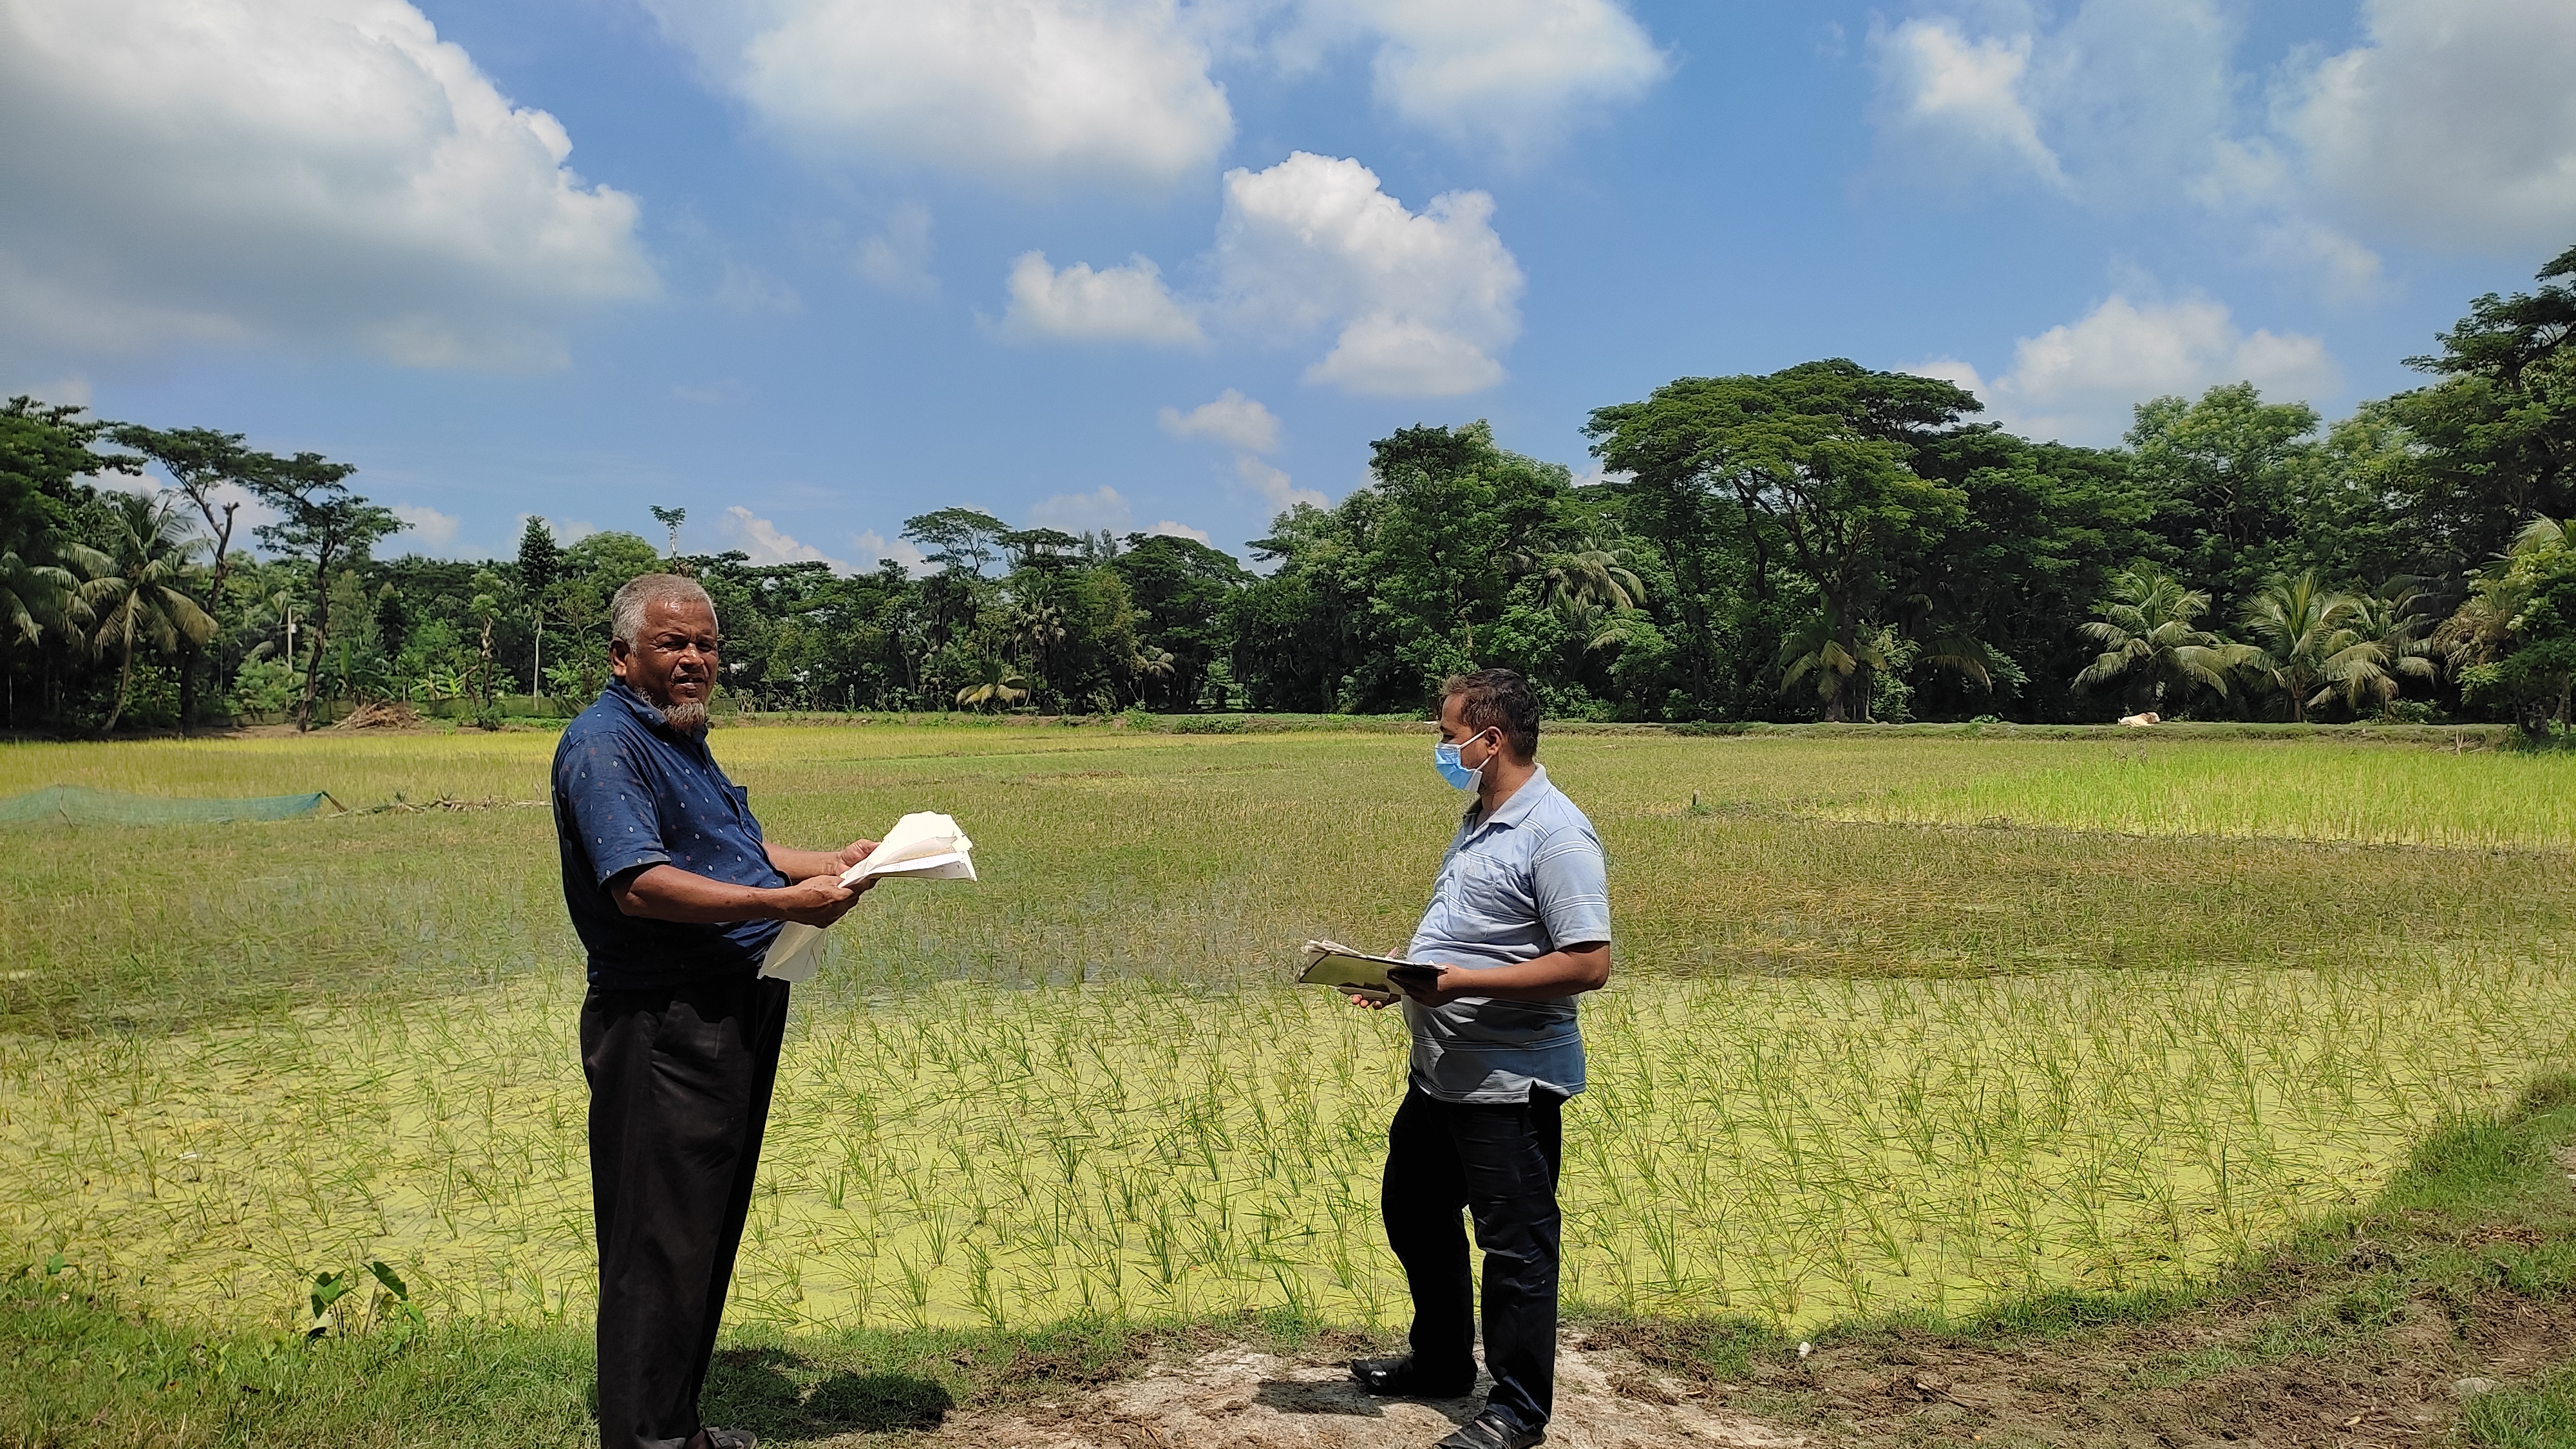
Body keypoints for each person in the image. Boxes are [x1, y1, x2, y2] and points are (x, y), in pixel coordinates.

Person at [553, 573, 881, 1449]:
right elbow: (641, 884)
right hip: (664, 1022)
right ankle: (648, 1440)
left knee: (697, 1230)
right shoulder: (604, 747)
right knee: (657, 1244)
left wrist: (835, 861)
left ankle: (674, 1429)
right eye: (673, 644)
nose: (696, 659)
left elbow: (731, 848)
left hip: (726, 1006)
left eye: (706, 643)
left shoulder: (678, 736)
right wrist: (784, 905)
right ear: (623, 656)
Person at [1347, 668, 1612, 1449]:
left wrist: (1458, 982)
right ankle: (1440, 1363)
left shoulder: (1557, 834)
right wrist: (1403, 976)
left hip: (1507, 1082)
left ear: (1488, 740)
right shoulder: (1478, 817)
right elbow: (1469, 933)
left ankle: (1519, 1409)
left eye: (1445, 734)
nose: (1441, 746)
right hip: (1440, 1074)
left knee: (1516, 1247)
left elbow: (1589, 963)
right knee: (1413, 1213)